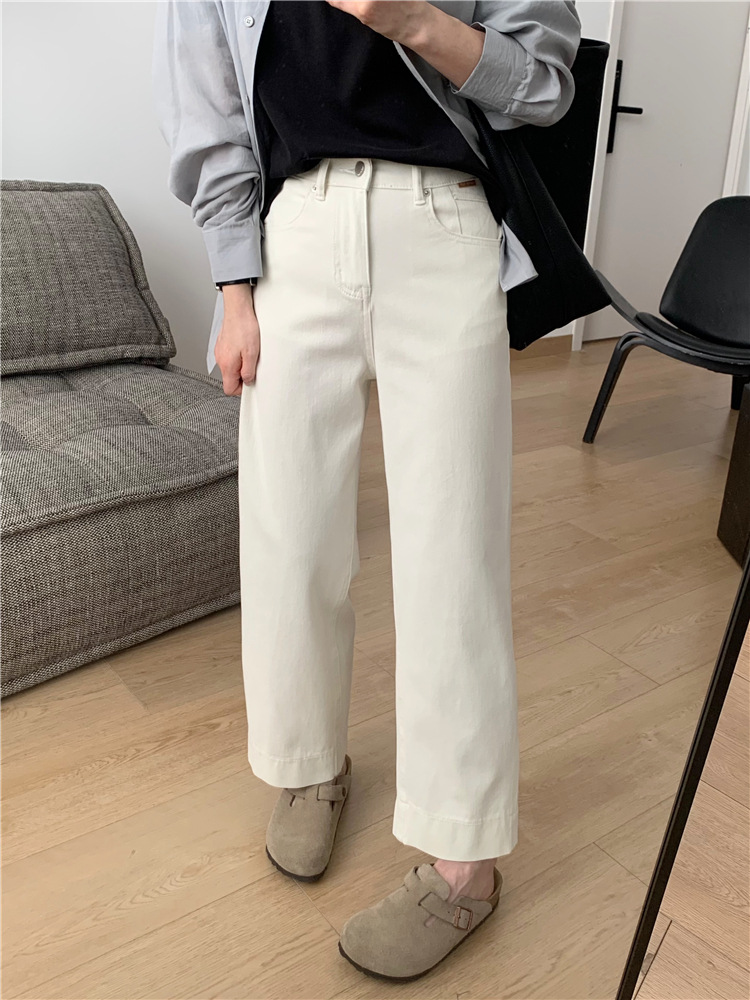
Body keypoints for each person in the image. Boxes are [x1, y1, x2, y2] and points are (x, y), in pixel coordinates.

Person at [153, 0, 580, 981]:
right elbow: (208, 109)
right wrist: (233, 289)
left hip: (444, 224)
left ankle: (464, 860)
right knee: (290, 538)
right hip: (294, 237)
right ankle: (309, 767)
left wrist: (412, 20)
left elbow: (546, 86)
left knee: (451, 555)